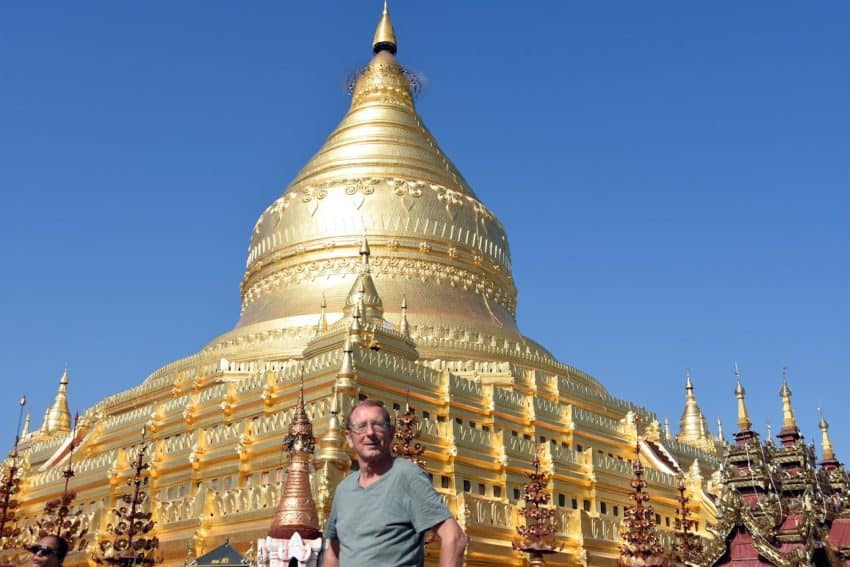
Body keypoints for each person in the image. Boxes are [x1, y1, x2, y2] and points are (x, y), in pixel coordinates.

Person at [323, 400, 466, 567]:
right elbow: (334, 552)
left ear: (391, 433)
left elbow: (455, 537)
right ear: (349, 438)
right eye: (361, 426)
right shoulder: (344, 490)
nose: (370, 432)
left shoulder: (407, 476)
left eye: (377, 425)